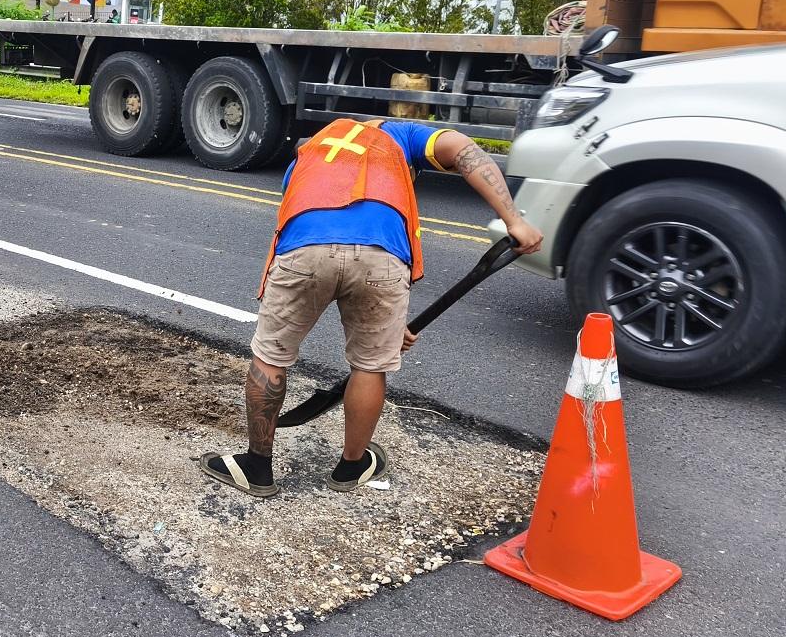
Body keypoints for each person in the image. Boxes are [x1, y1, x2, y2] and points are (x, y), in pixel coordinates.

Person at [199, 118, 542, 497]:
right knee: (370, 364)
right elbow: (465, 151)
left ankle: (257, 468)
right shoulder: (405, 135)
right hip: (383, 257)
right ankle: (351, 466)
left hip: (305, 249)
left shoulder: (310, 152)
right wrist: (514, 220)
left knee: (272, 355)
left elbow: (313, 223)